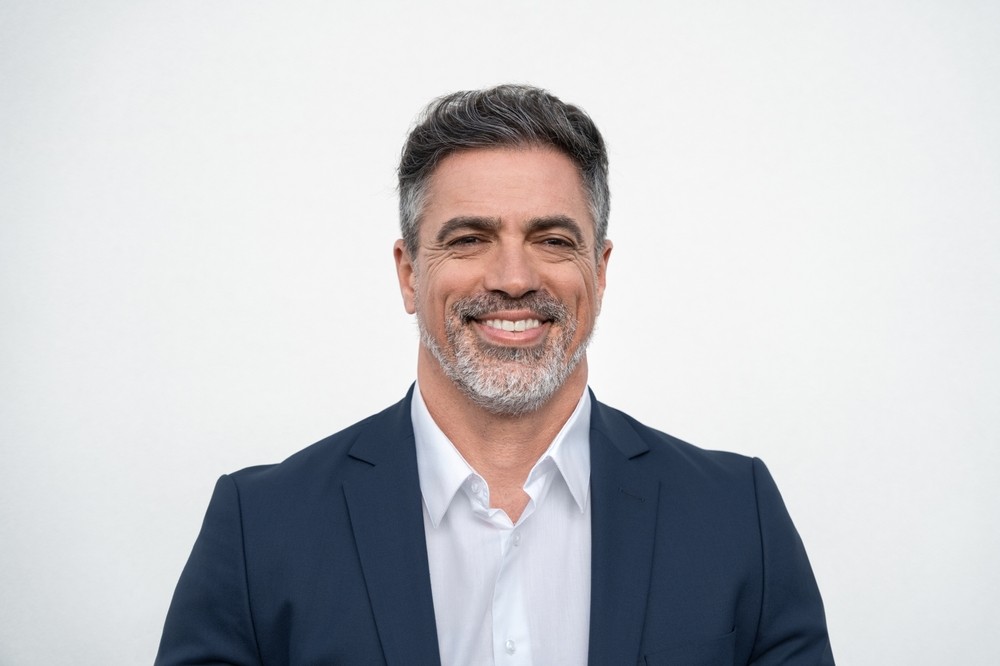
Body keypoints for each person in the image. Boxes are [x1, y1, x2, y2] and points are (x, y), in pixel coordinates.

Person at [155, 84, 834, 665]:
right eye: (469, 239)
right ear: (408, 274)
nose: (513, 278)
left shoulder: (736, 516)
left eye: (553, 240)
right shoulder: (259, 529)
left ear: (599, 272)